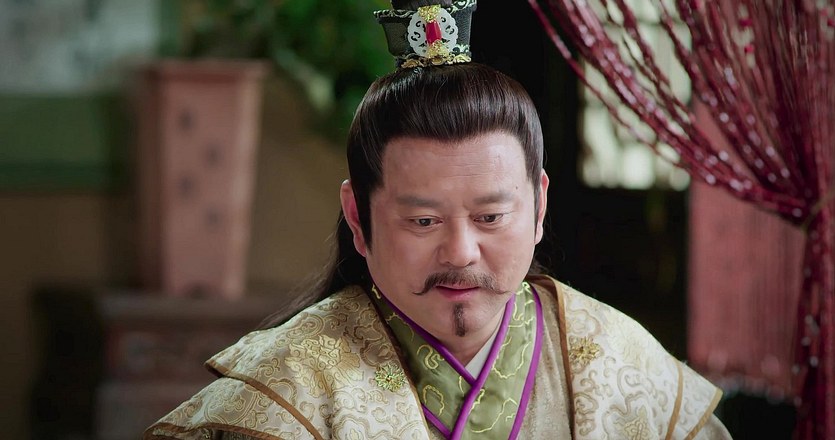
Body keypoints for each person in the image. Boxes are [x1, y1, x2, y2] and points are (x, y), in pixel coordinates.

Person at [145, 0, 731, 438]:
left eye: (491, 216)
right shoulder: (282, 397)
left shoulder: (623, 368)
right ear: (357, 217)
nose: (461, 252)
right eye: (423, 221)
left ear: (539, 208)